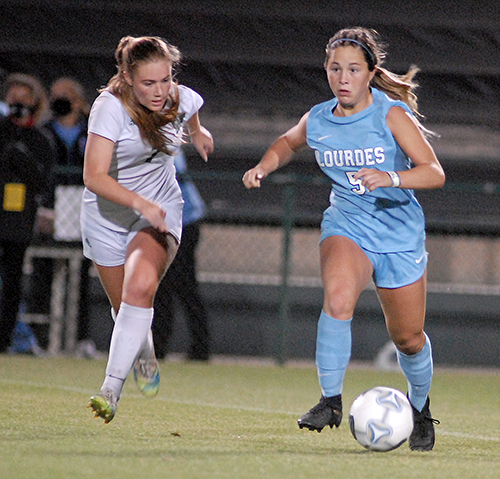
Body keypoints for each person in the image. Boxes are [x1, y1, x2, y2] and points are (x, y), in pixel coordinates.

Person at [243, 27, 444, 451]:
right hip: (347, 225)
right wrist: (263, 166)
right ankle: (330, 402)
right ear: (326, 71)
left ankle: (420, 409)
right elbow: (288, 142)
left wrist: (390, 176)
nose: (343, 77)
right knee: (337, 300)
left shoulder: (390, 115)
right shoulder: (318, 118)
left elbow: (433, 171)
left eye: (353, 69)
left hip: (398, 233)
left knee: (408, 338)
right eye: (335, 69)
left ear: (370, 73)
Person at [82, 36, 213, 423]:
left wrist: (199, 132)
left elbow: (192, 107)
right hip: (107, 216)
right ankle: (144, 350)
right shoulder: (109, 108)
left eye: (165, 80)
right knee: (125, 307)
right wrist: (138, 202)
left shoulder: (178, 96)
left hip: (160, 210)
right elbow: (93, 176)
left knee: (140, 288)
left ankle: (110, 389)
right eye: (148, 84)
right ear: (127, 77)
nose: (160, 92)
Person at [26, 77, 95, 355]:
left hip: (84, 210)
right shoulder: (43, 132)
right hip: (50, 211)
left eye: (63, 96)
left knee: (82, 280)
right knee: (42, 276)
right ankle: (37, 339)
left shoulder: (93, 133)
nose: (57, 100)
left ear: (77, 101)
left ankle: (82, 340)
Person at [0, 73, 54, 353]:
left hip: (18, 220)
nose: (19, 104)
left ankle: (5, 338)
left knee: (12, 280)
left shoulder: (40, 140)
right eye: (14, 98)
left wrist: (24, 160)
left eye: (25, 99)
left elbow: (43, 182)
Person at [153, 149, 210, 361]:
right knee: (164, 288)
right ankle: (160, 347)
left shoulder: (169, 145)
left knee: (184, 286)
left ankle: (200, 348)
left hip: (184, 223)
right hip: (167, 224)